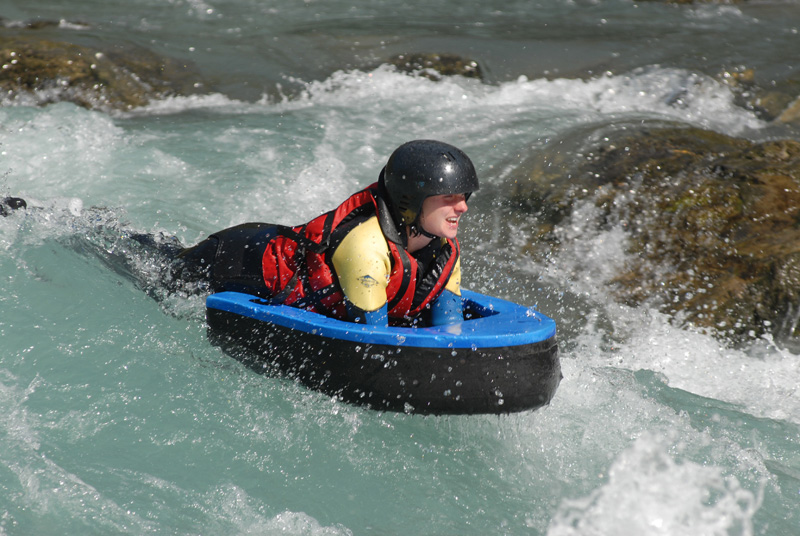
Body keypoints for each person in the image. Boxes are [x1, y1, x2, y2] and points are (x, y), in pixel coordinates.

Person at [3, 139, 479, 327]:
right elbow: (371, 341)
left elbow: (448, 319)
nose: (460, 207)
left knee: (157, 253)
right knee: (147, 268)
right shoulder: (366, 247)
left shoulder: (441, 248)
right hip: (236, 258)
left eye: (463, 198)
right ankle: (55, 222)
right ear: (409, 203)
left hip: (268, 241)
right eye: (448, 199)